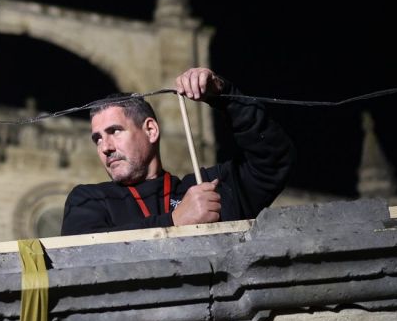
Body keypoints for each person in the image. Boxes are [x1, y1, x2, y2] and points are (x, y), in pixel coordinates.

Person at [61, 67, 294, 235]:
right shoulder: (89, 200)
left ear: (151, 130)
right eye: (97, 139)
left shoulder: (207, 189)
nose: (105, 147)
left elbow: (273, 159)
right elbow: (81, 250)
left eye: (115, 131)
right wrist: (174, 220)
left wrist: (224, 95)